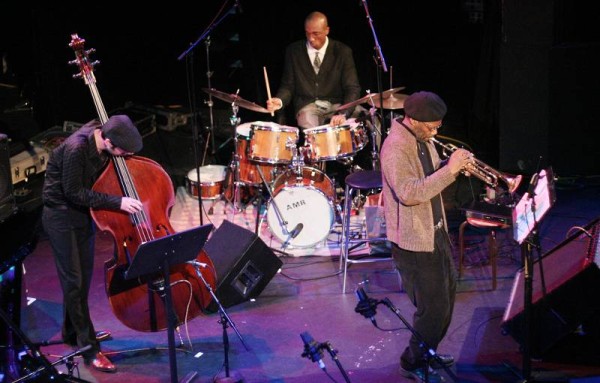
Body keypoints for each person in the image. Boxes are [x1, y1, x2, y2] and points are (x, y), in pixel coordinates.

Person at [380, 91, 472, 382]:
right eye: (431, 126)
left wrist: (453, 169)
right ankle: (412, 361)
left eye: (438, 126)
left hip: (435, 231)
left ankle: (428, 352)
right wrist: (450, 171)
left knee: (447, 298)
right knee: (432, 309)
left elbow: (432, 176)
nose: (435, 131)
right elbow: (409, 194)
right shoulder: (396, 147)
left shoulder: (423, 139)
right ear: (413, 120)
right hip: (413, 241)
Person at [42, 115, 144, 373]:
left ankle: (72, 332)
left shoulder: (106, 137)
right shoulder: (77, 148)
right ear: (107, 140)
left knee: (82, 280)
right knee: (73, 282)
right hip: (61, 216)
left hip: (81, 215)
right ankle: (89, 350)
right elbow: (73, 192)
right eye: (122, 151)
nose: (124, 155)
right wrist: (118, 202)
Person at [266, 11, 362, 130]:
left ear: (327, 30)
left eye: (316, 34)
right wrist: (279, 101)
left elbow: (352, 88)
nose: (311, 38)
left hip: (338, 105)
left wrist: (343, 113)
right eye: (307, 33)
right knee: (311, 127)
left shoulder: (342, 51)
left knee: (368, 117)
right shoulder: (293, 51)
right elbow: (288, 86)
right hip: (308, 106)